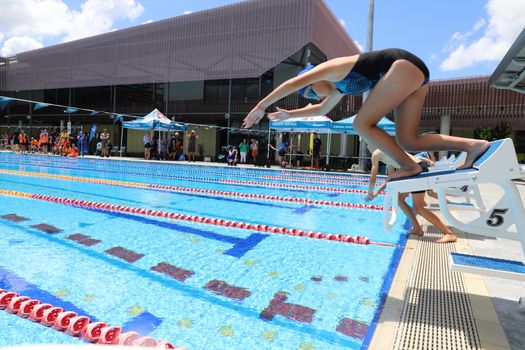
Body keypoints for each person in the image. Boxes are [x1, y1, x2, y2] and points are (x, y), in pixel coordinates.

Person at [242, 48, 489, 180]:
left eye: (310, 93)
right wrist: (289, 115)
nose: (314, 98)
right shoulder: (337, 88)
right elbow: (321, 110)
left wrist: (261, 106)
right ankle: (473, 145)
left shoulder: (328, 70)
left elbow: (291, 85)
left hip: (402, 66)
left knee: (362, 123)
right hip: (414, 77)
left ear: (311, 81)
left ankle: (410, 167)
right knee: (408, 140)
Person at [366, 147, 457, 243]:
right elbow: (390, 179)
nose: (367, 146)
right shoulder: (387, 152)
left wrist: (371, 193)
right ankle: (417, 228)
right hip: (417, 169)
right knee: (399, 199)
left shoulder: (377, 153)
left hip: (416, 170)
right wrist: (377, 192)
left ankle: (449, 234)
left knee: (419, 208)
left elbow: (373, 178)